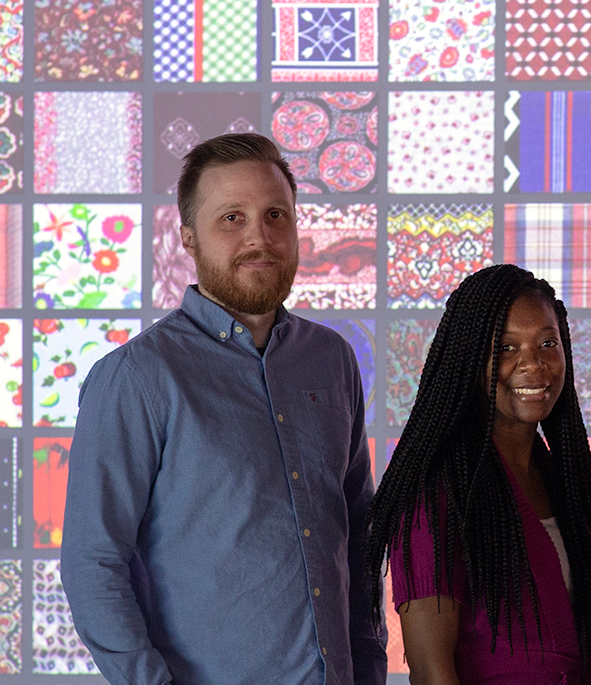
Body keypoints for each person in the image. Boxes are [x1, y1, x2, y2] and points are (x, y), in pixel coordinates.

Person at [61, 133, 386, 685]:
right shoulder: (136, 378)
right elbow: (94, 565)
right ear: (188, 237)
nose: (260, 237)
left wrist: (369, 667)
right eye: (231, 218)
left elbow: (357, 537)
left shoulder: (332, 360)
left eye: (275, 214)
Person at [366, 264, 591, 684]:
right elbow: (431, 671)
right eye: (506, 348)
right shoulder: (438, 490)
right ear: (469, 359)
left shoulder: (566, 482)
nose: (534, 365)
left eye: (547, 343)